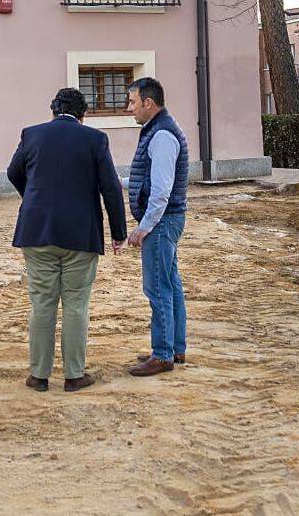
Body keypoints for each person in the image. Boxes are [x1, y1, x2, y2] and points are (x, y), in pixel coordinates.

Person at [7, 87, 128, 392]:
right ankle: (74, 375)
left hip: (36, 232)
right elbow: (111, 188)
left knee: (41, 303)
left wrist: (33, 198)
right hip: (80, 233)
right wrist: (118, 234)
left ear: (53, 111)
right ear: (83, 115)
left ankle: (38, 375)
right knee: (75, 305)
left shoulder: (32, 134)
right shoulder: (95, 139)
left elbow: (13, 172)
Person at [122, 76, 189, 377]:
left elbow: (161, 191)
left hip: (162, 222)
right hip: (167, 220)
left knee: (157, 288)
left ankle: (162, 355)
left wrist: (144, 227)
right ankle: (174, 347)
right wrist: (119, 182)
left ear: (149, 103)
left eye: (133, 102)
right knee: (171, 285)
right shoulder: (159, 130)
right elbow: (148, 180)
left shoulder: (162, 136)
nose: (129, 108)